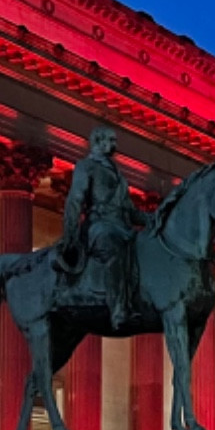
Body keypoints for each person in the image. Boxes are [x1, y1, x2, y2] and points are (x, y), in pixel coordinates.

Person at [56, 125, 141, 330]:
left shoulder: (118, 174)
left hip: (120, 226)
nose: (114, 145)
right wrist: (70, 233)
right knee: (114, 250)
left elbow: (130, 210)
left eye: (114, 141)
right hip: (99, 226)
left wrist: (156, 218)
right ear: (98, 141)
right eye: (111, 140)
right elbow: (75, 200)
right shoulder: (87, 166)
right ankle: (118, 309)